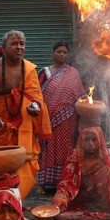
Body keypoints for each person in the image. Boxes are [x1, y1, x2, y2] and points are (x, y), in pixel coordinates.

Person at [0, 30, 51, 198]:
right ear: (3, 47)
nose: (19, 47)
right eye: (14, 44)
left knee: (26, 162)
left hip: (24, 126)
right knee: (2, 167)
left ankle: (17, 200)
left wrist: (35, 107)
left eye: (22, 44)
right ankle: (2, 202)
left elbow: (36, 98)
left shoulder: (29, 69)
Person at [36, 41, 85, 193]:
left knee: (65, 148)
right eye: (59, 52)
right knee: (45, 148)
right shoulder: (44, 72)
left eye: (65, 52)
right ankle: (42, 183)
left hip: (67, 117)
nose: (62, 54)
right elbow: (36, 93)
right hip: (47, 117)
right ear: (53, 53)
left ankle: (64, 182)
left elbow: (80, 94)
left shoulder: (73, 72)